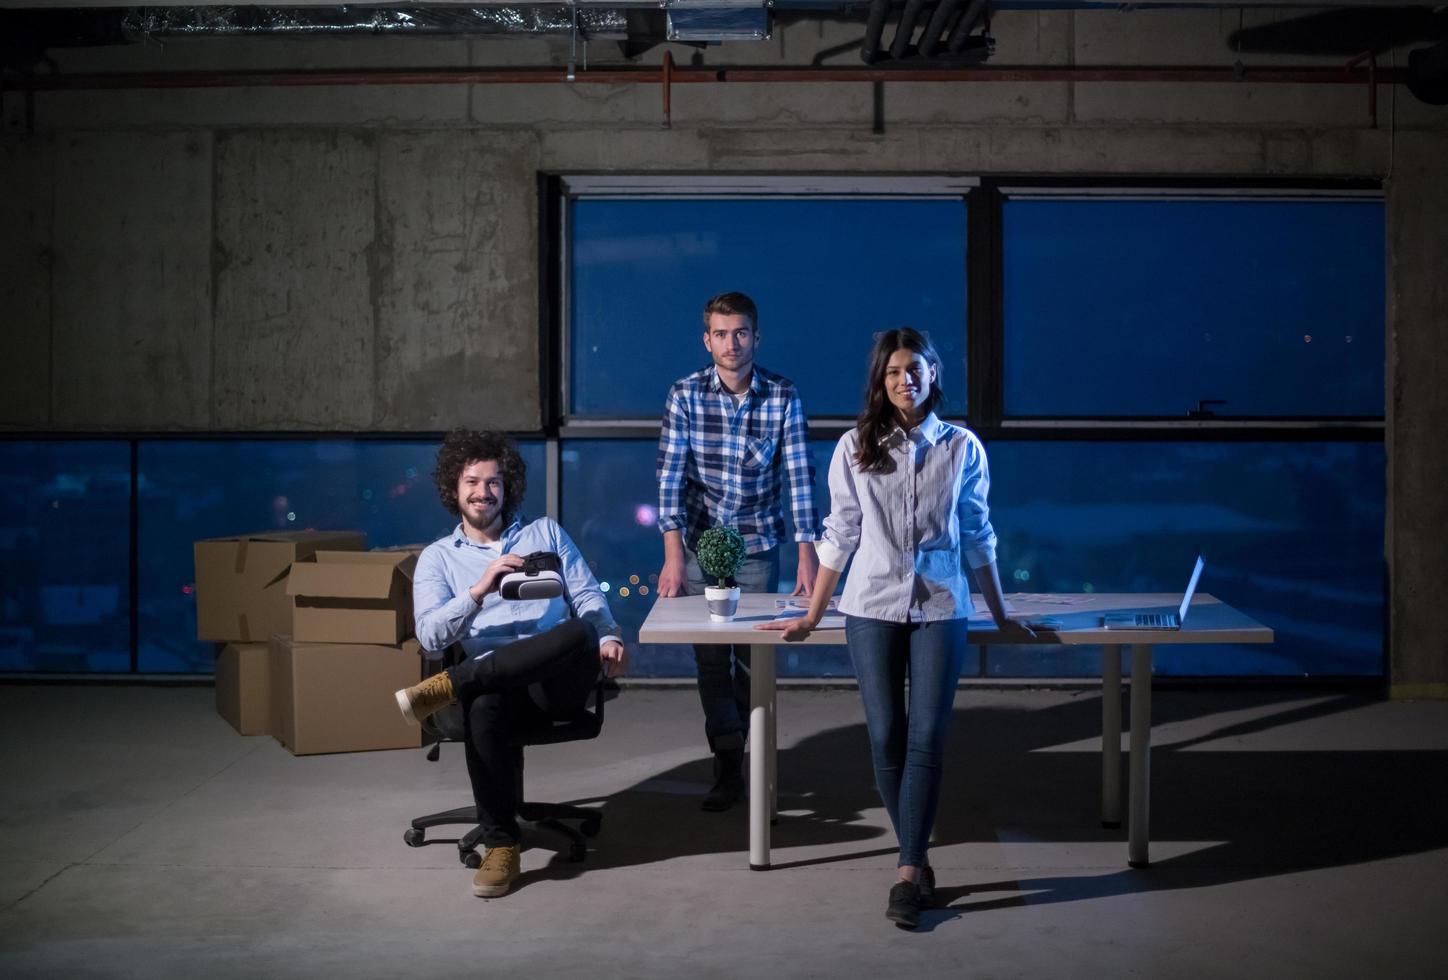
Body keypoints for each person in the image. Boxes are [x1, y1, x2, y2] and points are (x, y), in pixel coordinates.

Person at [755, 328, 1035, 929]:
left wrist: (1001, 610)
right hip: (870, 606)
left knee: (927, 734)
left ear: (933, 374)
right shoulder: (856, 445)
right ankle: (915, 853)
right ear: (879, 382)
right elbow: (841, 533)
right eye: (892, 372)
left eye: (914, 369)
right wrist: (812, 613)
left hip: (940, 606)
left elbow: (978, 532)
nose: (904, 380)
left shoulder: (962, 447)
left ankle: (910, 867)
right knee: (886, 735)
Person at [394, 428, 627, 899]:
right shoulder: (438, 559)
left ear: (508, 486)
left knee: (579, 630)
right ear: (453, 490)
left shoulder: (545, 532)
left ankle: (451, 685)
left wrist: (609, 637)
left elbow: (584, 595)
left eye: (493, 482)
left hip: (555, 682)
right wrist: (479, 590)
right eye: (472, 482)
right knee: (484, 704)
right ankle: (503, 845)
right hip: (496, 688)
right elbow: (432, 637)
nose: (484, 492)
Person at [656, 291, 822, 811]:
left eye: (741, 332)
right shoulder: (684, 394)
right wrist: (673, 554)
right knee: (710, 661)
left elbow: (799, 477)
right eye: (721, 334)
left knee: (754, 660)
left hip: (756, 545)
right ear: (707, 340)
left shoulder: (782, 394)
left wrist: (807, 554)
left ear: (756, 336)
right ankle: (726, 765)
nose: (732, 343)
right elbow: (670, 477)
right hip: (703, 546)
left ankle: (754, 759)